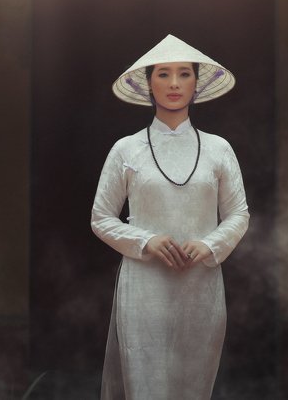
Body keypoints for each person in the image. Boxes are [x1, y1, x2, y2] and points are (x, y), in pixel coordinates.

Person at [91, 34, 250, 400]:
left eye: (183, 74)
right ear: (148, 84)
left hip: (200, 288)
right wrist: (147, 240)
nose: (174, 84)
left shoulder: (218, 149)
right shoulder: (126, 149)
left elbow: (238, 214)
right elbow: (101, 218)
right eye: (163, 74)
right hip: (144, 288)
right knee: (144, 384)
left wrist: (208, 244)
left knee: (193, 386)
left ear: (198, 83)